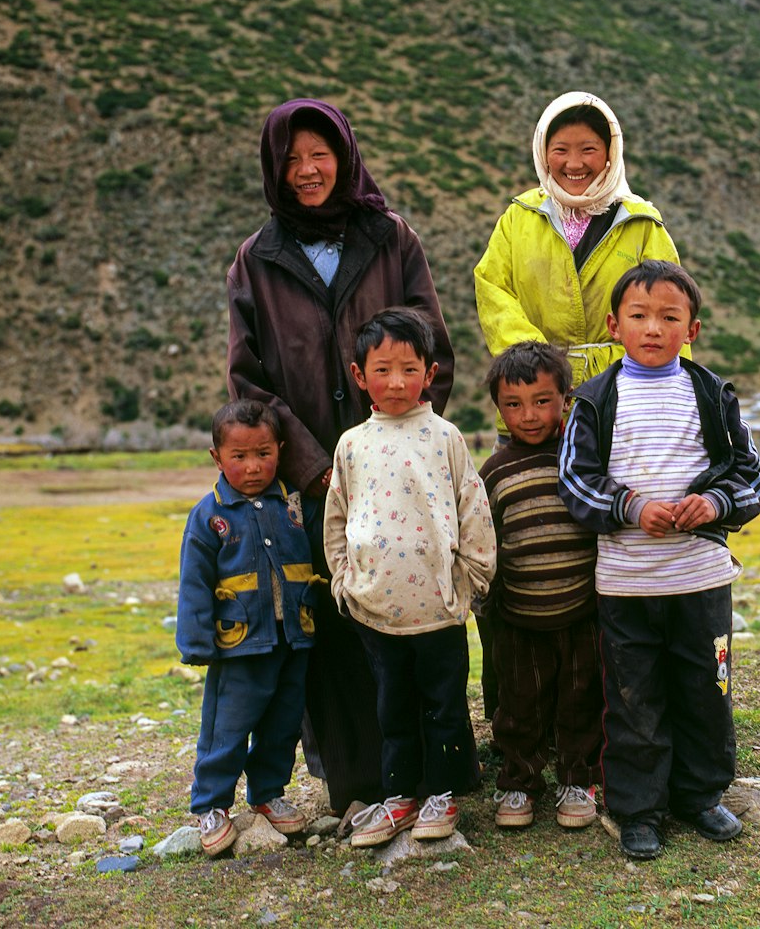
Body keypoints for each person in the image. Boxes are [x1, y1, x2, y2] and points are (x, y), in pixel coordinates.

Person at [226, 98, 455, 817]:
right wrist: (315, 466)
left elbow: (432, 351)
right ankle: (359, 788)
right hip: (315, 483)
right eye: (291, 159)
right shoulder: (256, 260)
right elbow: (249, 380)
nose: (306, 170)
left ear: (344, 154)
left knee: (410, 620)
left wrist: (396, 447)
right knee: (334, 629)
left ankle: (430, 782)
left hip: (402, 480)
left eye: (319, 154)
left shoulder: (391, 238)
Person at [472, 90, 680, 718]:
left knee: (612, 540)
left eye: (589, 148)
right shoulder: (519, 218)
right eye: (560, 149)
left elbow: (668, 312)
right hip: (539, 396)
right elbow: (493, 287)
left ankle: (617, 715)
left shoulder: (642, 222)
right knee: (539, 534)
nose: (574, 162)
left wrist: (671, 403)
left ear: (610, 151)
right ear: (543, 152)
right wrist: (538, 368)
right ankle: (526, 714)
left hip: (622, 398)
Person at [558, 260, 760, 861]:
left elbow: (749, 476)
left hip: (700, 580)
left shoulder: (711, 393)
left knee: (707, 686)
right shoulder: (595, 400)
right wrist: (630, 507)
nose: (654, 328)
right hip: (627, 585)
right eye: (639, 316)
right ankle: (638, 809)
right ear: (613, 325)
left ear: (691, 328)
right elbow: (575, 480)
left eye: (669, 317)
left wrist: (714, 501)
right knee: (633, 697)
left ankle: (699, 795)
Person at [323, 307, 495, 847]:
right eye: (382, 369)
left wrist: (470, 580)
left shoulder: (444, 436)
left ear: (430, 372)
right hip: (377, 609)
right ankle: (399, 798)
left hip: (439, 607)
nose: (395, 382)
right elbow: (336, 516)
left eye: (408, 368)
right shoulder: (351, 444)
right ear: (358, 375)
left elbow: (473, 510)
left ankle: (442, 795)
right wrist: (343, 582)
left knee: (444, 706)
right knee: (391, 709)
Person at [176, 399, 323, 856]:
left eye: (263, 453)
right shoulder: (209, 516)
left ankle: (267, 794)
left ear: (280, 449)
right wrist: (197, 641)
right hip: (239, 645)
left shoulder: (295, 505)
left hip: (292, 638)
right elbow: (194, 582)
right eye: (239, 457)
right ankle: (211, 806)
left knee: (283, 725)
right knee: (227, 728)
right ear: (217, 458)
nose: (253, 466)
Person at [478, 342, 602, 831]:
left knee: (580, 698)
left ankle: (577, 778)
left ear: (565, 400)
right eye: (513, 404)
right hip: (519, 618)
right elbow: (483, 540)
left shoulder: (581, 463)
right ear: (498, 408)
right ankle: (518, 781)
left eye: (542, 400)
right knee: (518, 704)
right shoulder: (492, 472)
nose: (528, 415)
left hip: (580, 611)